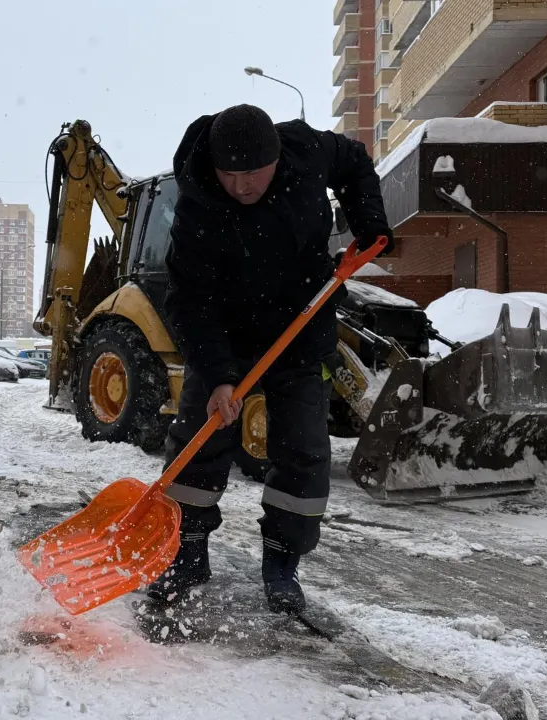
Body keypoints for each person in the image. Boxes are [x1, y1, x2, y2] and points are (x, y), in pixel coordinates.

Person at [147, 104, 393, 614]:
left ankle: (282, 563)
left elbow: (354, 162)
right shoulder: (196, 209)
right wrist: (216, 377)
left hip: (301, 324)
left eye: (252, 172)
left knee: (303, 449)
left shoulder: (306, 149)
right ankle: (187, 553)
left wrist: (368, 219)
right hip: (227, 334)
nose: (241, 185)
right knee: (199, 441)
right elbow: (189, 300)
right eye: (229, 174)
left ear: (276, 157)